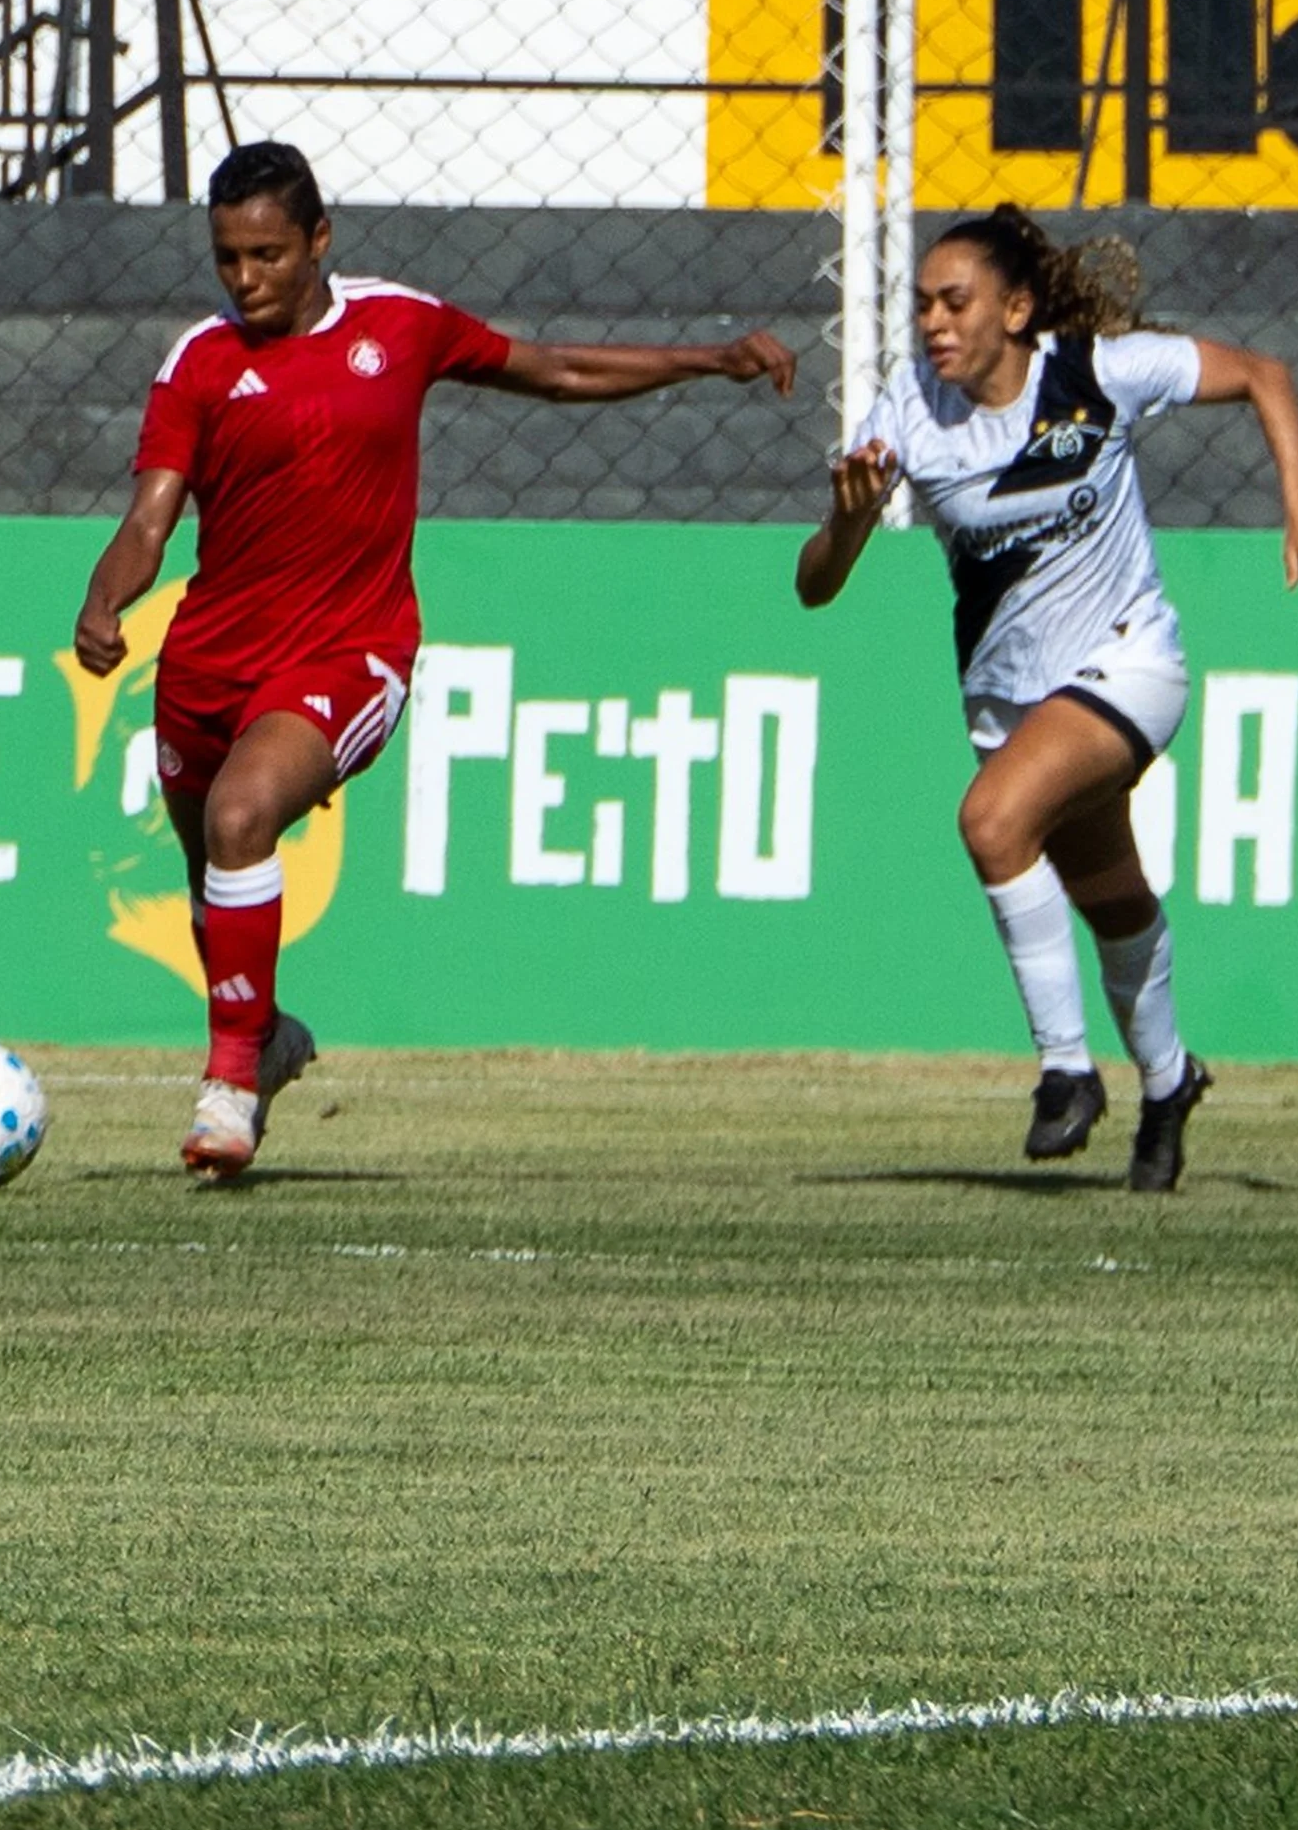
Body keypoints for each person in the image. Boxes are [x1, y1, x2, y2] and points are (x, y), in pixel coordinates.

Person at [77, 141, 797, 1179]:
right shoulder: (199, 362)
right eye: (228, 257)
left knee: (241, 818)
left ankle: (231, 1085)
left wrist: (707, 359)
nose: (247, 279)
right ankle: (268, 1036)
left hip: (348, 647)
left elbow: (553, 370)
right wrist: (104, 601)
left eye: (269, 255)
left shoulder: (398, 325)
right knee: (211, 880)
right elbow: (150, 517)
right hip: (207, 660)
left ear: (320, 240)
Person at [793, 204, 1298, 1194]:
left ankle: (1065, 1073)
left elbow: (1268, 374)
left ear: (1018, 307)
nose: (934, 325)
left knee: (994, 821)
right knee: (1110, 896)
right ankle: (1170, 1081)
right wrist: (847, 522)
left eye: (956, 304)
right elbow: (815, 584)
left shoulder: (1097, 371)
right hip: (1013, 703)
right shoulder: (907, 411)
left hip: (1131, 663)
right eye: (923, 307)